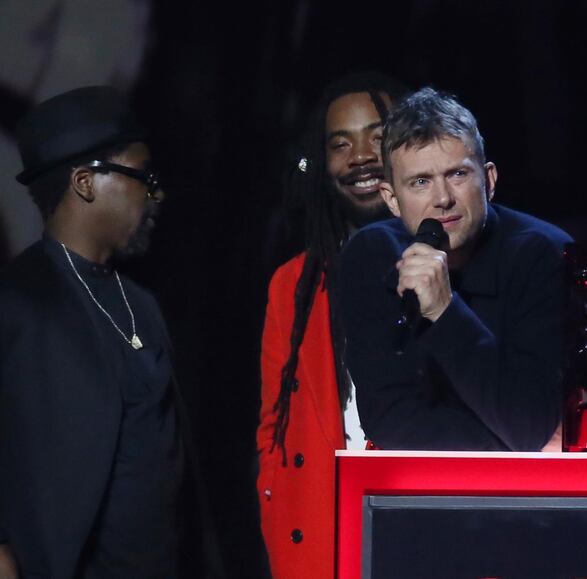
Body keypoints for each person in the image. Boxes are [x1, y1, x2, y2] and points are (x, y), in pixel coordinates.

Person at [0, 86, 221, 579]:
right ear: (85, 182)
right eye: (144, 177)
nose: (156, 192)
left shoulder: (140, 301)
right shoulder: (19, 301)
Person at [339, 88, 572, 451]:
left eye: (458, 174)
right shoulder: (370, 255)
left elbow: (531, 427)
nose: (443, 198)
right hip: (420, 494)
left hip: (527, 497)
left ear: (489, 181)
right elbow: (389, 420)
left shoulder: (544, 255)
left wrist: (444, 312)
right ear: (391, 199)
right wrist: (504, 446)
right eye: (420, 182)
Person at [255, 72, 407, 578]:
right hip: (322, 530)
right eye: (341, 144)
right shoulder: (292, 284)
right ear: (322, 165)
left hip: (418, 517)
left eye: (378, 138)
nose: (361, 156)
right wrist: (279, 511)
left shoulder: (448, 261)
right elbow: (274, 423)